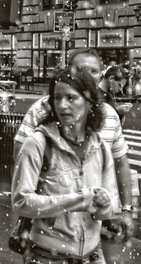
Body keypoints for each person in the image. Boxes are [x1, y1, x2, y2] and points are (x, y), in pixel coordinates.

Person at [14, 48, 134, 241]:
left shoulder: (110, 116)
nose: (87, 76)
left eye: (93, 71)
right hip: (50, 235)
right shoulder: (40, 110)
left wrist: (125, 209)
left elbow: (120, 163)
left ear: (101, 75)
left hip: (95, 231)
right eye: (80, 69)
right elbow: (22, 163)